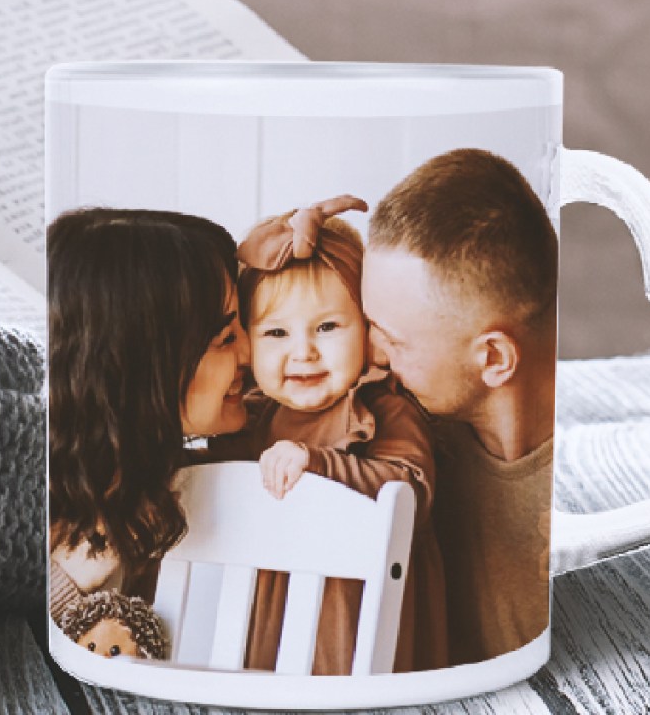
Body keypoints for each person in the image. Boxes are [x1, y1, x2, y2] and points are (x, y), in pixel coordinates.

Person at [210, 194, 447, 674]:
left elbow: (410, 491)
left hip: (357, 607)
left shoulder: (382, 408)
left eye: (327, 327)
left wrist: (319, 465)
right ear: (247, 342)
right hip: (270, 601)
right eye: (276, 334)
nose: (304, 352)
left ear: (367, 329)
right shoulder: (248, 419)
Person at [362, 148, 558, 665]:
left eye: (394, 341)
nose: (372, 356)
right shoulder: (398, 433)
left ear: (493, 357)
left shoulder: (594, 491)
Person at [47, 208, 250, 621]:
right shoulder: (29, 493)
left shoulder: (159, 477)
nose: (251, 353)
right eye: (227, 338)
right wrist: (66, 579)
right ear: (141, 362)